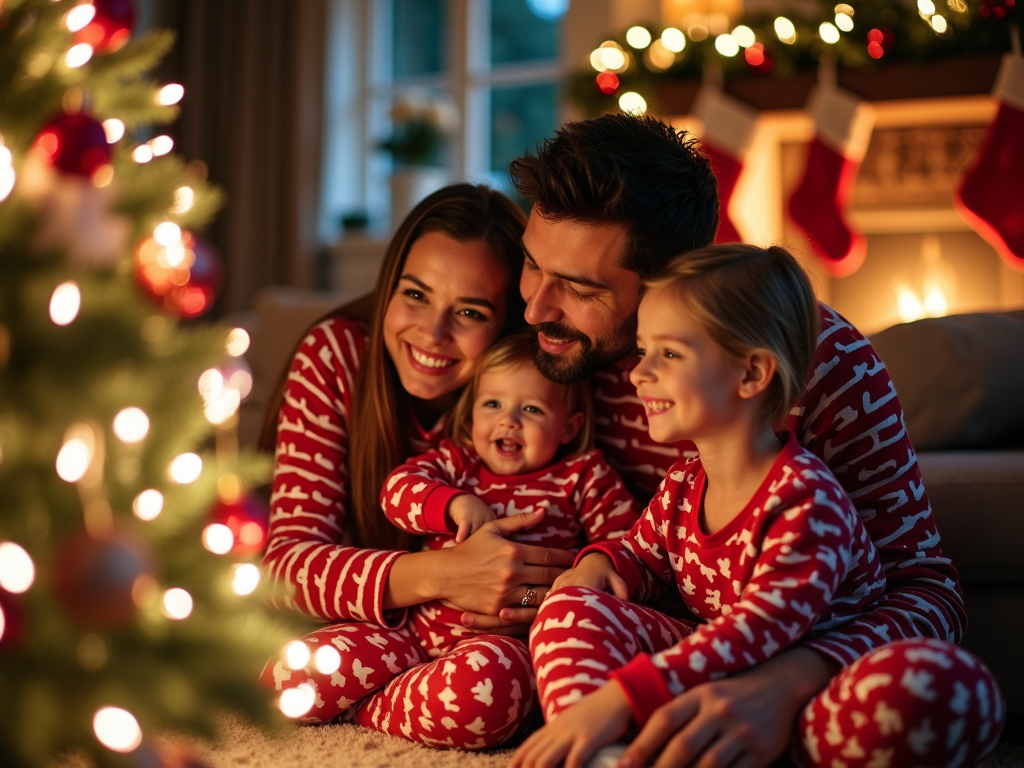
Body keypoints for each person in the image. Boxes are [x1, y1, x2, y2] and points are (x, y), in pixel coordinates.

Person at [507, 115, 1004, 767]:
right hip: (670, 652)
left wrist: (781, 683)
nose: (534, 308)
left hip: (804, 665)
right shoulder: (554, 352)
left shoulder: (825, 367)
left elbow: (929, 593)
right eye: (532, 265)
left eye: (579, 288)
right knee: (572, 607)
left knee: (940, 691)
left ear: (674, 280)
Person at [515, 244, 893, 767]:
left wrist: (625, 695)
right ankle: (602, 754)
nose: (638, 373)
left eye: (668, 354)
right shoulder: (684, 482)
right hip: (713, 669)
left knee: (924, 693)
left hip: (806, 685)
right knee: (568, 605)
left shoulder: (807, 501)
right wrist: (600, 564)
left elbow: (757, 629)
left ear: (751, 375)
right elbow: (641, 558)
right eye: (643, 350)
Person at [258, 184, 575, 750]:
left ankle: (384, 703)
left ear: (507, 331)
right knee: (285, 677)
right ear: (388, 290)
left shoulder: (534, 409)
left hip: (491, 646)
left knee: (489, 693)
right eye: (416, 295)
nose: (432, 334)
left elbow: (619, 547)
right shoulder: (336, 357)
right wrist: (449, 574)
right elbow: (283, 568)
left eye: (470, 312)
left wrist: (535, 599)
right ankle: (392, 702)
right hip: (389, 632)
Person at [380, 333, 640, 659]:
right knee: (325, 662)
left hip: (510, 646)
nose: (508, 420)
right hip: (414, 634)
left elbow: (630, 542)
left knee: (487, 676)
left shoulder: (582, 475)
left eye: (531, 408)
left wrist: (575, 576)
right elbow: (395, 491)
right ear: (472, 410)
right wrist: (452, 503)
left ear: (568, 428)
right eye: (492, 404)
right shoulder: (457, 463)